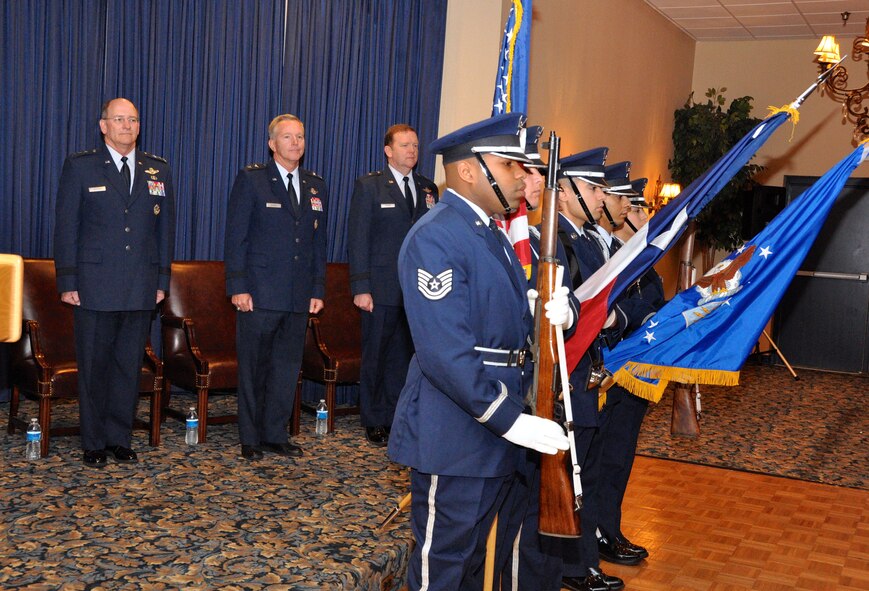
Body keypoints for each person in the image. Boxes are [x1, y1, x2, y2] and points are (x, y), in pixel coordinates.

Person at [388, 113, 572, 591]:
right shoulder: (437, 235)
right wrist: (510, 419)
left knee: (471, 564)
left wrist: (544, 311)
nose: (523, 178)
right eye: (511, 166)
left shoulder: (488, 232)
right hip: (457, 431)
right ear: (469, 170)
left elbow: (497, 326)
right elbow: (445, 353)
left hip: (494, 425)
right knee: (442, 568)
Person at [54, 97, 176, 468]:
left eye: (133, 120)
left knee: (127, 367)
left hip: (140, 284)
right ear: (103, 125)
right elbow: (66, 228)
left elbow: (164, 232)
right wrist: (68, 279)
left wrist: (161, 280)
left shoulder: (158, 170)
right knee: (94, 367)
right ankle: (92, 442)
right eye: (119, 119)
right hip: (93, 284)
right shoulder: (82, 167)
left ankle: (118, 438)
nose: (127, 126)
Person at [224, 114, 327, 461]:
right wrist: (238, 286)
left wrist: (317, 289)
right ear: (272, 144)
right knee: (254, 368)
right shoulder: (253, 180)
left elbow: (317, 244)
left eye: (300, 137)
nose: (295, 143)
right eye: (288, 137)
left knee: (285, 368)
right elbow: (236, 238)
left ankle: (274, 434)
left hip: (298, 295)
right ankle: (250, 437)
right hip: (259, 293)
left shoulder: (315, 185)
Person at [555, 149, 626, 591]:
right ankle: (572, 566)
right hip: (569, 372)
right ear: (564, 192)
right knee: (569, 474)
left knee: (580, 472)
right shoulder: (559, 240)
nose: (601, 197)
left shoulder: (580, 238)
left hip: (586, 370)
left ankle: (578, 562)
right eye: (593, 188)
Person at [348, 124, 438, 447]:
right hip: (379, 289)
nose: (412, 150)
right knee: (376, 357)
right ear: (388, 150)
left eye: (415, 145)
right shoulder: (370, 186)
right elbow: (358, 240)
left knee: (404, 358)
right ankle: (373, 419)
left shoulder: (428, 189)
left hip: (415, 292)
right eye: (404, 145)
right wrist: (361, 287)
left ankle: (396, 417)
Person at [595, 175, 664, 566]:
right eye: (637, 208)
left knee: (620, 457)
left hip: (636, 371)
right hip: (611, 370)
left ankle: (610, 528)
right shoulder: (612, 257)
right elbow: (613, 309)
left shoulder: (642, 260)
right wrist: (648, 314)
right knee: (604, 457)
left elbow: (654, 300)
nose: (643, 215)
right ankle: (598, 532)